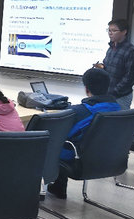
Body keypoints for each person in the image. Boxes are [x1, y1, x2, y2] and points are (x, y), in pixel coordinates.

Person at [47, 68, 121, 199]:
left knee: (51, 142)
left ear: (86, 89)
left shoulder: (78, 112)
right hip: (110, 160)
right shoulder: (117, 109)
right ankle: (58, 187)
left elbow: (59, 133)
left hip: (80, 162)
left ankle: (40, 190)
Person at [94, 19, 134, 110]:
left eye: (114, 30)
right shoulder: (111, 48)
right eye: (109, 30)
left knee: (118, 119)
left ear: (124, 32)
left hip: (120, 97)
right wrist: (101, 67)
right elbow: (109, 67)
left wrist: (114, 92)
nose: (110, 33)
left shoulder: (131, 51)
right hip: (107, 94)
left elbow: (130, 77)